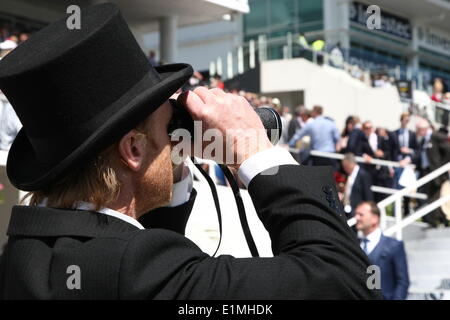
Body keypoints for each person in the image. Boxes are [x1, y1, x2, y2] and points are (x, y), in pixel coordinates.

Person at [0, 3, 380, 300]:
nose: (177, 139)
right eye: (170, 127)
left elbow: (132, 238)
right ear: (132, 148)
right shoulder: (139, 272)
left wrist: (170, 164)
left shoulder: (26, 253)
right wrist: (256, 151)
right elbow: (347, 283)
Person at [355, 202, 410, 300]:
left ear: (375, 218)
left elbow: (402, 282)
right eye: (356, 214)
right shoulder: (354, 245)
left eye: (361, 215)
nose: (357, 218)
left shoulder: (394, 246)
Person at [413, 118, 450, 228]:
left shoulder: (436, 137)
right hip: (426, 172)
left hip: (437, 173)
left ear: (423, 129)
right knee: (430, 196)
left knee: (436, 197)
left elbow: (448, 151)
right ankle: (434, 221)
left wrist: (443, 166)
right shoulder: (424, 140)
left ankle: (437, 222)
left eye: (418, 129)